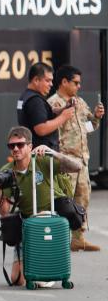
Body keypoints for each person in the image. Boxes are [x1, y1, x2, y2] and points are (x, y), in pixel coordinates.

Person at [0, 126, 82, 285]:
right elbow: (4, 213)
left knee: (40, 276)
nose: (15, 149)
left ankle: (51, 270)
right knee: (18, 280)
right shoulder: (6, 172)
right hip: (29, 222)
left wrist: (52, 152)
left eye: (20, 145)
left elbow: (77, 167)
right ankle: (36, 266)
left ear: (30, 146)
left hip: (52, 217)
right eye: (11, 146)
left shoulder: (43, 160)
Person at [47, 65, 105, 251]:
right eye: (75, 83)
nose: (79, 86)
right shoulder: (53, 103)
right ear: (64, 82)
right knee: (64, 202)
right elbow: (49, 129)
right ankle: (59, 241)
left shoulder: (79, 102)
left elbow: (88, 126)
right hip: (65, 161)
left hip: (82, 161)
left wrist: (96, 117)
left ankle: (78, 239)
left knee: (82, 199)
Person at [17, 62, 74, 151]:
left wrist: (61, 110)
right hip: (41, 156)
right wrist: (63, 117)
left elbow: (40, 116)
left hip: (33, 152)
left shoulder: (26, 96)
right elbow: (41, 129)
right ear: (36, 80)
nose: (51, 84)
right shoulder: (35, 100)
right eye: (47, 80)